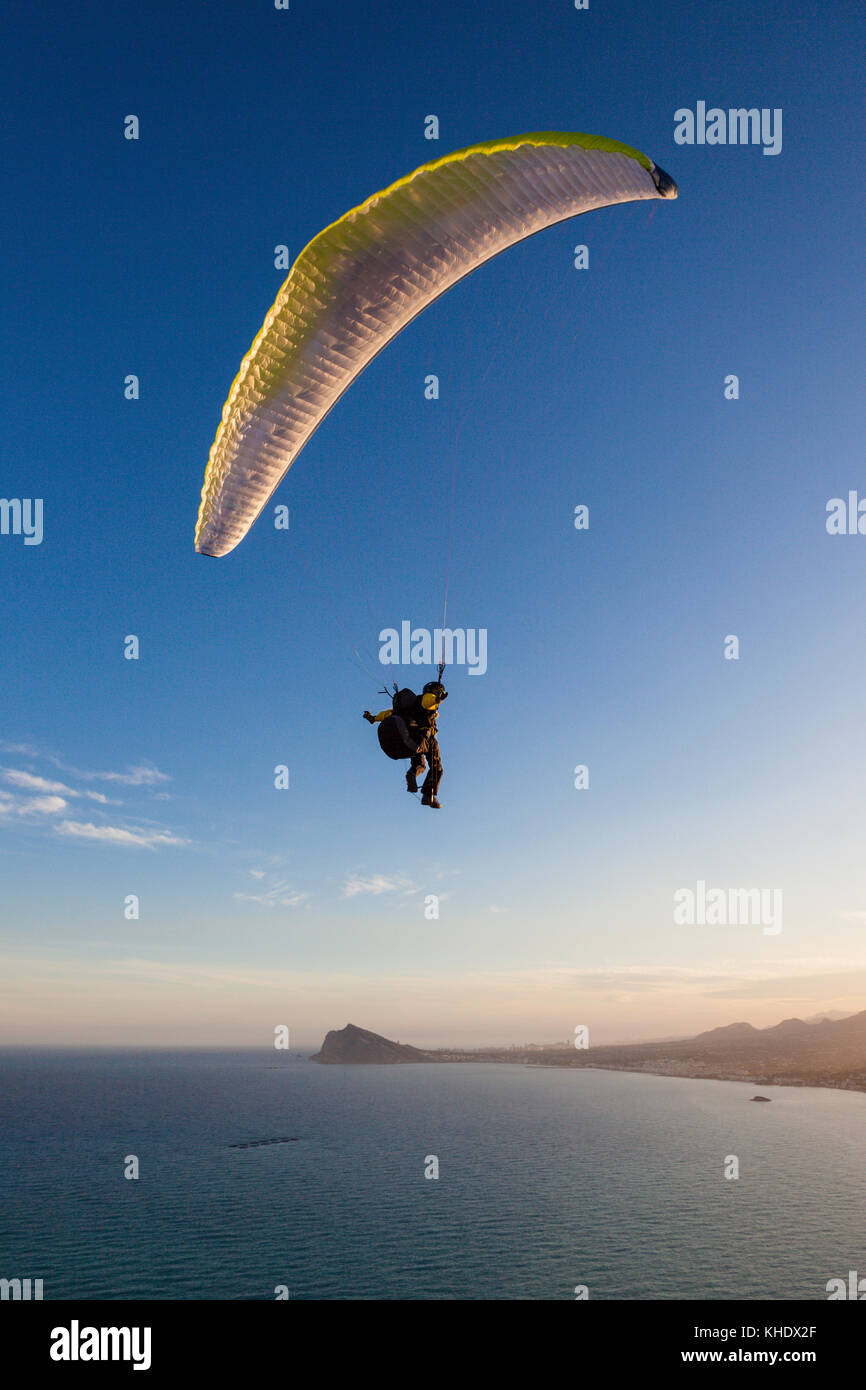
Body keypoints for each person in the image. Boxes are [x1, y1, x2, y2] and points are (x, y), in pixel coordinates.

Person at [364, 681, 447, 808]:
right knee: (437, 766)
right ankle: (428, 795)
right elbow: (427, 701)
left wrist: (374, 718)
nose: (440, 692)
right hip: (423, 739)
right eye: (438, 690)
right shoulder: (427, 699)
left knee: (419, 764)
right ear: (430, 690)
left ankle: (412, 773)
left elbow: (388, 713)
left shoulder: (407, 708)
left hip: (411, 738)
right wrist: (437, 699)